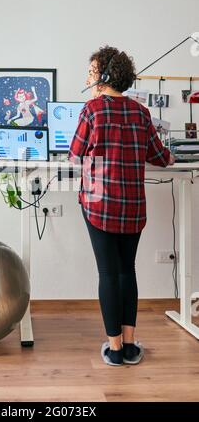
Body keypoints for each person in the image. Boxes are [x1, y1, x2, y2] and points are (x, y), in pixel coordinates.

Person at [68, 46, 175, 366]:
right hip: (132, 208)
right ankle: (130, 346)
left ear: (103, 76)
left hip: (99, 206)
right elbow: (160, 157)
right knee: (127, 272)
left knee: (108, 274)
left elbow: (75, 154)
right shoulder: (141, 112)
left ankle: (114, 350)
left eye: (91, 71)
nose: (88, 77)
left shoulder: (92, 110)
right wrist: (171, 155)